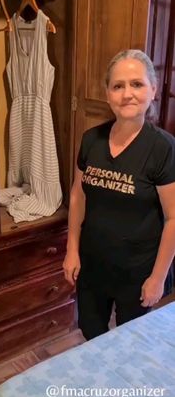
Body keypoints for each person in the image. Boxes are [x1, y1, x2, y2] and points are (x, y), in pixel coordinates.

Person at [63, 49, 175, 340]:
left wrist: (158, 278)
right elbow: (78, 196)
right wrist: (71, 250)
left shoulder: (163, 148)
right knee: (91, 330)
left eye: (137, 84)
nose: (127, 93)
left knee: (129, 340)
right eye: (118, 86)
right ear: (108, 93)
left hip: (137, 272)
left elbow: (174, 218)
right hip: (93, 264)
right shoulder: (91, 140)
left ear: (153, 89)